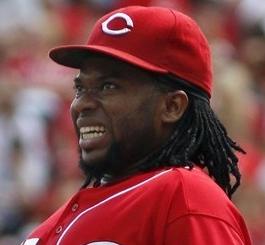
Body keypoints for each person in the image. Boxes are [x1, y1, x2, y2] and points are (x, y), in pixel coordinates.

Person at [22, 6, 252, 245]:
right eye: (80, 88)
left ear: (172, 106)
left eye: (108, 86)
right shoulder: (48, 227)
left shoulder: (184, 199)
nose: (82, 105)